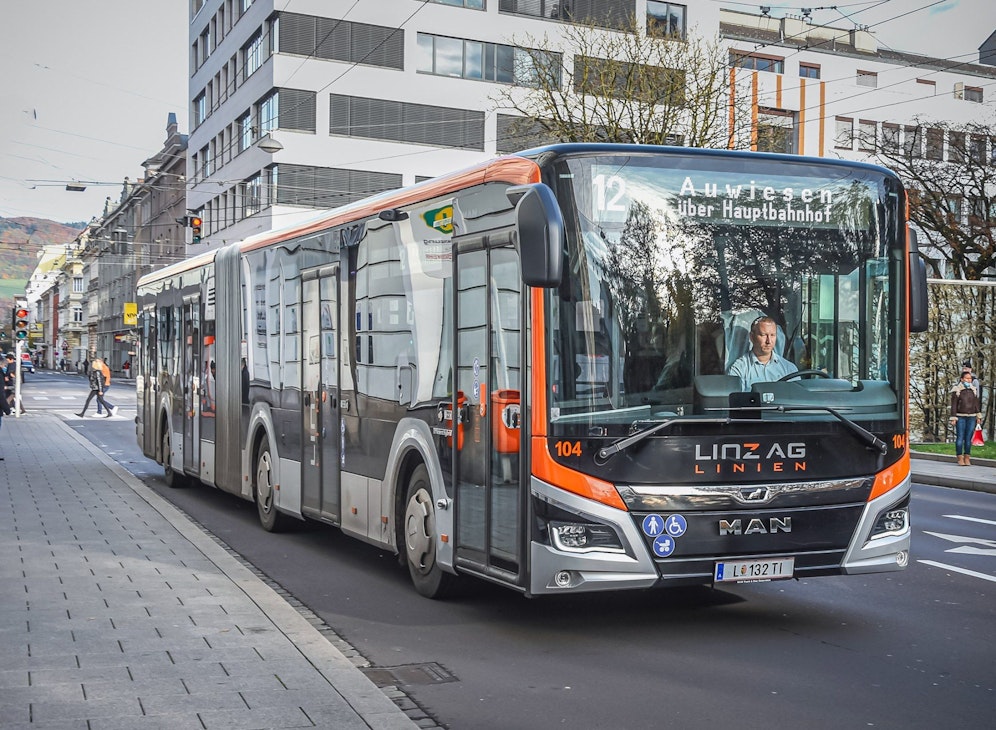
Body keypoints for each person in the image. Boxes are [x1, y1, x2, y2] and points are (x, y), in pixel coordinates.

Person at [728, 316, 798, 389]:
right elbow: (736, 399)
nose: (769, 341)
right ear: (752, 337)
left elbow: (796, 398)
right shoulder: (739, 369)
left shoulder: (789, 369)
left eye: (772, 335)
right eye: (763, 335)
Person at [950, 367, 982, 466]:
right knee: (960, 437)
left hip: (971, 417)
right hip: (960, 416)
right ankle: (960, 457)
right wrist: (953, 417)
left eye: (970, 379)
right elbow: (954, 405)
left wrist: (978, 416)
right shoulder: (957, 390)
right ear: (962, 379)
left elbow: (976, 404)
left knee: (968, 438)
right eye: (967, 378)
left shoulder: (973, 390)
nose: (969, 380)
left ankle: (967, 457)